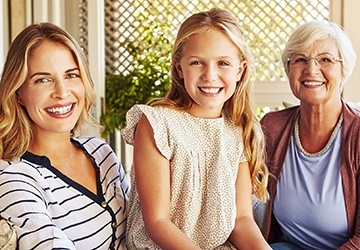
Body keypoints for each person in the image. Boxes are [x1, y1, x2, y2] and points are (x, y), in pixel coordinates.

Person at [121, 7, 271, 249]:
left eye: (223, 63)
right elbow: (158, 222)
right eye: (197, 63)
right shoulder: (157, 124)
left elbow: (241, 220)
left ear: (240, 70)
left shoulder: (237, 129)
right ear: (180, 69)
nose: (210, 75)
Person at [0, 22, 129, 249]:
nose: (62, 92)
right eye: (42, 79)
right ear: (18, 93)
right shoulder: (14, 177)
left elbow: (138, 230)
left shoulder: (101, 153)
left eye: (71, 75)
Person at [261, 20, 359, 249]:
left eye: (325, 59)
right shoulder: (271, 127)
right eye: (300, 59)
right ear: (289, 70)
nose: (311, 70)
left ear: (344, 70)